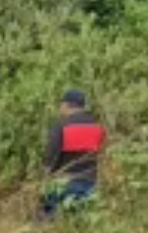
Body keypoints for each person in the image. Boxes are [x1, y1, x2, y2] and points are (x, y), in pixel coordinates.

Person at [41, 89, 105, 220]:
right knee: (83, 219)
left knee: (50, 218)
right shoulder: (97, 126)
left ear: (66, 105)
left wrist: (45, 179)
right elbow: (101, 153)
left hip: (63, 184)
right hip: (90, 183)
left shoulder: (61, 126)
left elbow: (50, 156)